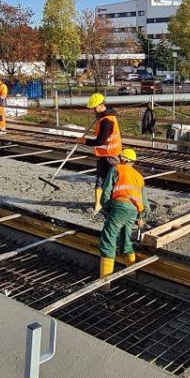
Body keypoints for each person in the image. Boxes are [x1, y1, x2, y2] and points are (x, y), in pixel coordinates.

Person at [98, 148, 150, 279]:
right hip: (133, 211)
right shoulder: (139, 176)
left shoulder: (116, 169)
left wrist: (107, 208)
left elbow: (106, 191)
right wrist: (141, 217)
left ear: (122, 159)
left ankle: (105, 280)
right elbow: (145, 202)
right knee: (126, 240)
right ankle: (132, 273)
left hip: (120, 206)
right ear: (132, 162)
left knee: (108, 239)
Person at [81, 93, 122, 213]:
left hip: (111, 154)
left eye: (94, 107)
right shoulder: (102, 117)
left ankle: (115, 203)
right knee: (100, 179)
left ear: (101, 105)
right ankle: (98, 204)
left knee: (113, 181)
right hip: (102, 154)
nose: (93, 110)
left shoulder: (108, 120)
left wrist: (84, 141)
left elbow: (100, 141)